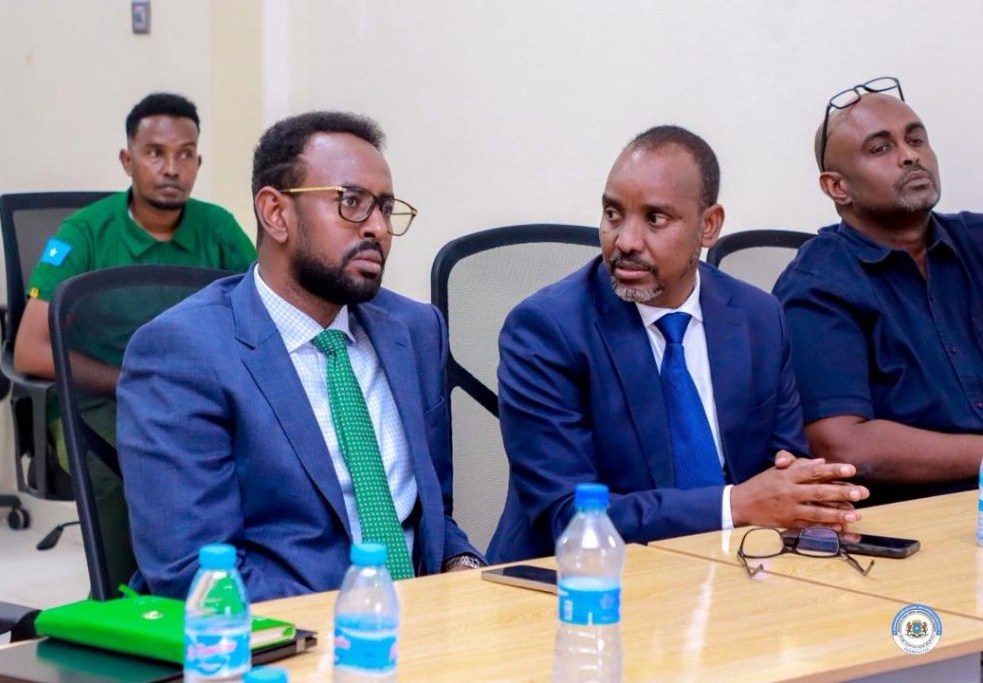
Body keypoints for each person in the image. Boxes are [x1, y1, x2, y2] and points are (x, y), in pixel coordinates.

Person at [117, 111, 483, 601]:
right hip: (282, 629)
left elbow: (430, 514)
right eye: (352, 202)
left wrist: (463, 565)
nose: (378, 227)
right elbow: (193, 572)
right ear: (275, 213)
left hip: (425, 619)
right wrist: (367, 612)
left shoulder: (415, 330)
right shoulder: (183, 353)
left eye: (384, 207)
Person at [487, 125, 868, 563]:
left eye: (655, 219)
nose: (626, 241)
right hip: (582, 579)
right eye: (613, 214)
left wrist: (806, 498)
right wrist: (734, 505)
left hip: (733, 569)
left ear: (709, 226)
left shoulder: (758, 318)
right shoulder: (546, 330)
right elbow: (568, 516)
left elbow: (782, 467)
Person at [12, 93, 254, 582]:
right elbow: (30, 350)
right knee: (140, 472)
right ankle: (125, 600)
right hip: (99, 404)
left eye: (185, 154)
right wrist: (129, 381)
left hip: (193, 398)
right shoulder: (84, 233)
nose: (172, 168)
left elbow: (261, 316)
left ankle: (224, 592)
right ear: (128, 160)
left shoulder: (218, 229)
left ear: (199, 163)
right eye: (155, 153)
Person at [773, 79, 983, 504]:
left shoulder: (976, 242)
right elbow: (844, 446)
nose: (910, 156)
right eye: (880, 148)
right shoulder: (818, 284)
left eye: (916, 139)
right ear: (837, 187)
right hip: (915, 517)